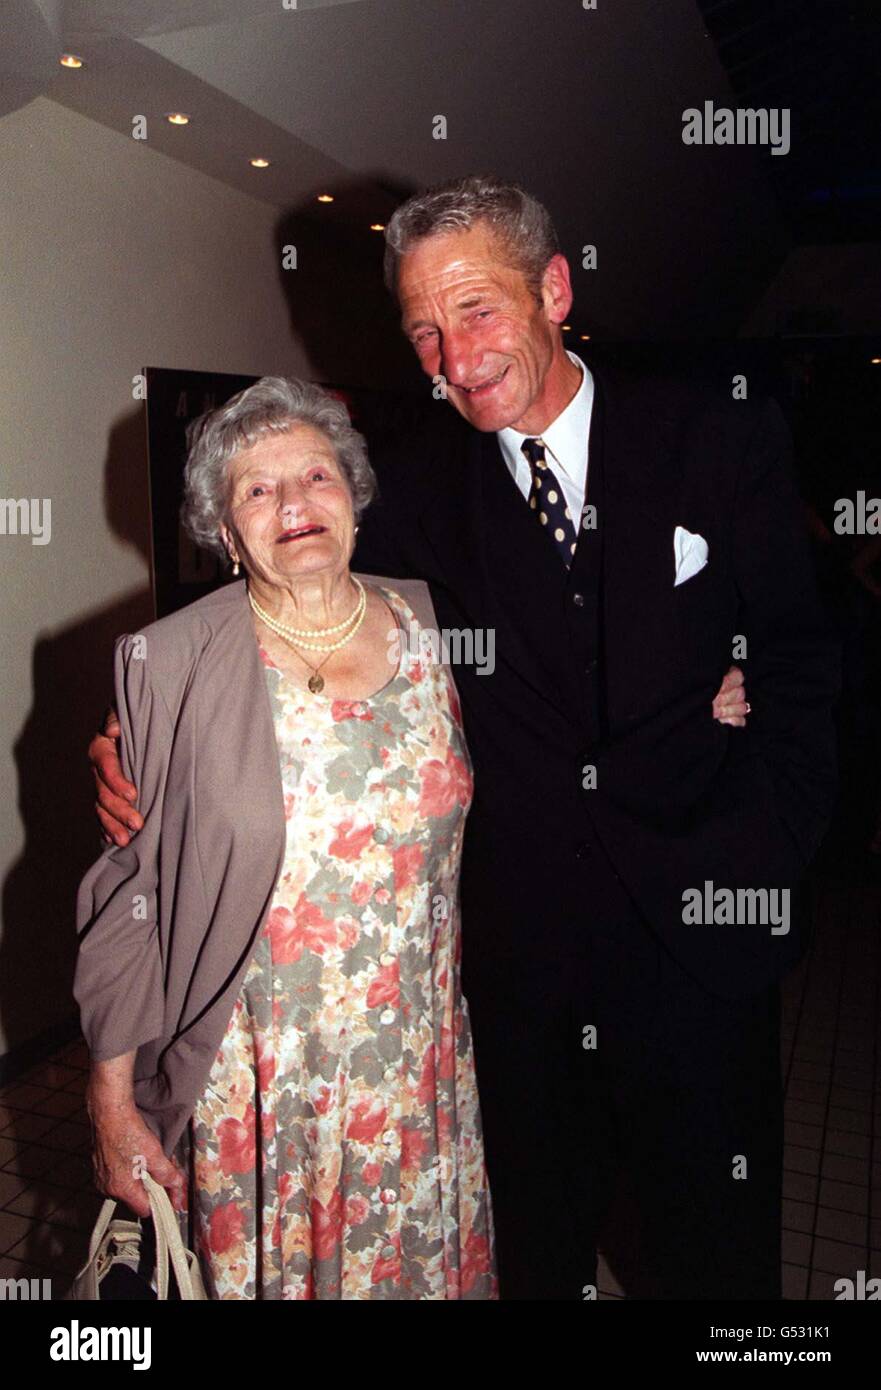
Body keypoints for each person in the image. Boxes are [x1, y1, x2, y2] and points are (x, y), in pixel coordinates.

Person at [90, 176, 825, 1301]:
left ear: (553, 290)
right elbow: (286, 580)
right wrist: (134, 738)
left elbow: (800, 655)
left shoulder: (713, 428)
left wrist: (762, 848)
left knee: (715, 1266)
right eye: (423, 329)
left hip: (699, 948)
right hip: (513, 986)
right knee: (526, 1258)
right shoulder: (413, 482)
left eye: (474, 310)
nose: (452, 354)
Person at [76, 377, 497, 1299]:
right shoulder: (171, 663)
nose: (294, 504)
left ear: (353, 495)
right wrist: (111, 1104)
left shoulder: (432, 624)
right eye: (257, 491)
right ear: (226, 533)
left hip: (413, 1072)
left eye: (315, 475)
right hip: (255, 1090)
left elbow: (560, 724)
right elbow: (125, 902)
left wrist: (708, 693)